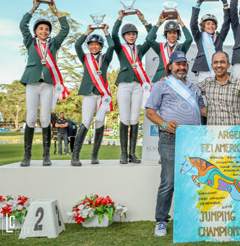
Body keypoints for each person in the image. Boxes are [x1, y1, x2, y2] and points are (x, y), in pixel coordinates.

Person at [144, 50, 206, 237]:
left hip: (193, 138)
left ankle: (189, 216)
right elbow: (149, 111)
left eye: (184, 64)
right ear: (170, 67)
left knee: (192, 179)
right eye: (178, 64)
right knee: (169, 181)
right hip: (170, 138)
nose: (182, 67)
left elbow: (204, 110)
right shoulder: (161, 85)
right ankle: (161, 220)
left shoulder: (194, 88)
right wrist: (163, 123)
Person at [19, 0, 69, 167]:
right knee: (31, 117)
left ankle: (46, 155)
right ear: (36, 31)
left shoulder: (53, 44)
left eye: (47, 29)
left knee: (45, 118)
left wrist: (56, 11)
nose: (44, 31)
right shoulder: (30, 41)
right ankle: (27, 155)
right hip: (32, 83)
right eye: (41, 28)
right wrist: (34, 7)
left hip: (47, 84)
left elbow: (65, 30)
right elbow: (22, 25)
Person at [112, 9, 152, 164]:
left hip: (137, 86)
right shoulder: (120, 48)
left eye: (134, 33)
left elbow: (151, 37)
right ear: (124, 36)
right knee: (124, 117)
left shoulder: (139, 49)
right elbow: (114, 35)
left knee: (135, 118)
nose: (131, 36)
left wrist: (143, 20)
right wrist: (120, 17)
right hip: (124, 85)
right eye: (128, 34)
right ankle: (123, 153)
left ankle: (132, 154)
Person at [72, 24, 114, 166]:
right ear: (88, 46)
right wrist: (87, 32)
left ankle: (94, 155)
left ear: (101, 46)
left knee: (100, 122)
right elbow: (77, 46)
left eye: (97, 44)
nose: (94, 47)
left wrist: (106, 31)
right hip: (89, 93)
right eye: (91, 44)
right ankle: (75, 156)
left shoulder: (105, 58)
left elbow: (112, 46)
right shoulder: (85, 58)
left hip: (102, 95)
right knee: (86, 121)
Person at [198, 51, 240, 126]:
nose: (219, 65)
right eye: (216, 62)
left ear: (228, 65)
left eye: (222, 62)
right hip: (213, 134)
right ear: (212, 65)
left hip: (234, 133)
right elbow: (189, 93)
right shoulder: (206, 83)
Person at [190, 0, 231, 82]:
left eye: (213, 24)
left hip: (218, 70)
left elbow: (227, 24)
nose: (211, 26)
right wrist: (198, 4)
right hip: (203, 70)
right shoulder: (199, 36)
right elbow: (193, 24)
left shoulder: (219, 37)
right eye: (208, 24)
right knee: (203, 95)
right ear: (203, 26)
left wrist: (225, 4)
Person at [146, 14, 192, 82]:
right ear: (166, 34)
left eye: (174, 33)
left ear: (178, 34)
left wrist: (181, 23)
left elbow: (189, 39)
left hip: (177, 77)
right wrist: (159, 23)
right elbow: (149, 39)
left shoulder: (181, 47)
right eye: (169, 33)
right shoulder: (160, 47)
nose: (172, 35)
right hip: (160, 77)